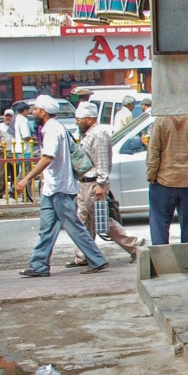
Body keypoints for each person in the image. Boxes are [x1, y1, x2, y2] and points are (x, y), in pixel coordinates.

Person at [15, 96, 108, 277]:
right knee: (47, 228)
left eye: (35, 109)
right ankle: (39, 265)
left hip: (59, 187)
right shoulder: (55, 127)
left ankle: (97, 259)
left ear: (43, 111)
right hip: (54, 187)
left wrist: (26, 179)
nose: (33, 112)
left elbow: (48, 158)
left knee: (73, 226)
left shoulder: (52, 130)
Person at [68, 102, 147, 267]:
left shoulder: (99, 134)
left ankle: (135, 245)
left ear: (89, 119)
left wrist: (101, 184)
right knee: (84, 220)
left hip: (94, 184)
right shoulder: (88, 134)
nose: (77, 122)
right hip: (84, 183)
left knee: (102, 221)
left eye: (79, 119)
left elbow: (103, 163)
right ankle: (83, 255)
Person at [146, 114, 188, 245]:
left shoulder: (160, 122)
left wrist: (151, 176)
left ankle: (162, 260)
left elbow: (153, 152)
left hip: (163, 180)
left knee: (159, 225)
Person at [11, 101, 34, 202]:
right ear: (25, 110)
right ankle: (13, 188)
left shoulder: (15, 118)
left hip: (17, 149)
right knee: (26, 173)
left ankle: (25, 196)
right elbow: (26, 136)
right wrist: (34, 139)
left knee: (23, 171)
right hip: (25, 149)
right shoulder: (24, 120)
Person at [0, 109, 15, 198]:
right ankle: (0, 193)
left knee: (15, 174)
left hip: (14, 152)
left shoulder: (16, 126)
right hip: (3, 152)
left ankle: (14, 192)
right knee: (1, 174)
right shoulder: (0, 127)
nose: (8, 118)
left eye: (10, 116)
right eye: (7, 116)